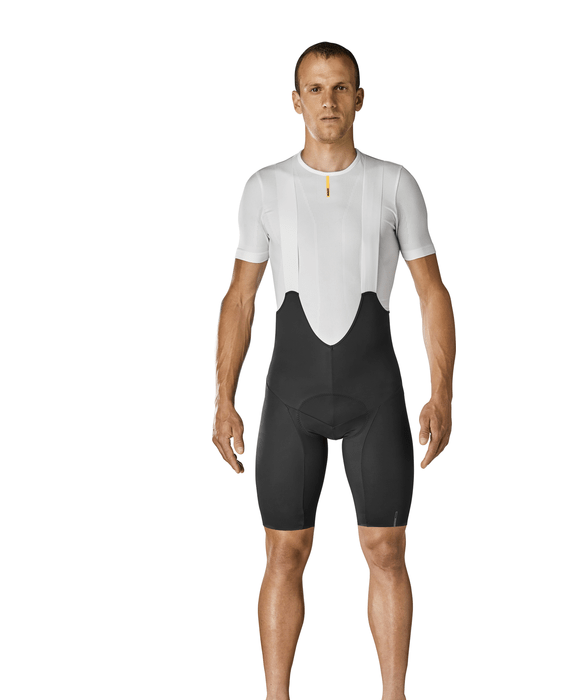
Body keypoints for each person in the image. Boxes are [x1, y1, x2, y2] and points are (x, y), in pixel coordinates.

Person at [213, 41, 456, 700]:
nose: (329, 101)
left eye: (341, 87)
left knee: (387, 550)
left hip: (373, 394)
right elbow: (240, 298)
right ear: (296, 101)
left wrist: (442, 394)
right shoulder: (266, 187)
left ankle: (394, 696)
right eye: (316, 89)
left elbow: (432, 292)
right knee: (284, 553)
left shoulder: (393, 183)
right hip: (290, 399)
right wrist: (223, 399)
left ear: (360, 98)